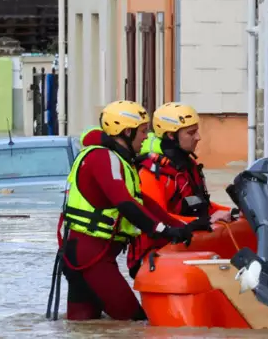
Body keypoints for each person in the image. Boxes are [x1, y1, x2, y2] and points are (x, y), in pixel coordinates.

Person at [59, 100, 204, 321]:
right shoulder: (101, 157)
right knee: (135, 322)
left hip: (84, 255)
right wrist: (163, 230)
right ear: (127, 131)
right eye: (143, 131)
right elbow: (125, 204)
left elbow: (143, 203)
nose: (146, 137)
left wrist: (184, 226)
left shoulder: (118, 160)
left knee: (84, 327)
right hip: (92, 258)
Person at [127, 102, 234, 278]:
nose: (198, 137)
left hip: (184, 246)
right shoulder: (152, 172)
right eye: (191, 133)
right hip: (155, 253)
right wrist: (202, 221)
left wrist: (231, 212)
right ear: (171, 135)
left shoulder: (187, 165)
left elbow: (202, 205)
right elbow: (157, 218)